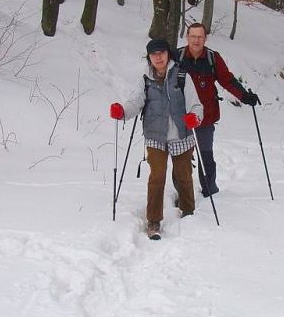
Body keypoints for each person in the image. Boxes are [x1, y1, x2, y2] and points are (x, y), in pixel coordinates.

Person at [110, 39, 203, 240]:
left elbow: (197, 105)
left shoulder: (181, 75)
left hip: (181, 135)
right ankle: (153, 220)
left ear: (168, 54)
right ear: (149, 57)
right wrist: (123, 111)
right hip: (155, 136)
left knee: (184, 176)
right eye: (154, 54)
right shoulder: (144, 79)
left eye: (161, 53)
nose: (158, 57)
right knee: (157, 177)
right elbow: (136, 101)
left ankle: (188, 212)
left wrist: (195, 117)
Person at [175, 22, 259, 197]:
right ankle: (183, 195)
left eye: (200, 37)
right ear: (187, 37)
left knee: (206, 156)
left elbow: (227, 80)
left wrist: (244, 96)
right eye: (193, 36)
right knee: (182, 159)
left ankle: (210, 192)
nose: (196, 40)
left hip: (205, 117)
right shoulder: (177, 57)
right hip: (181, 117)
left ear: (205, 38)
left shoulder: (213, 58)